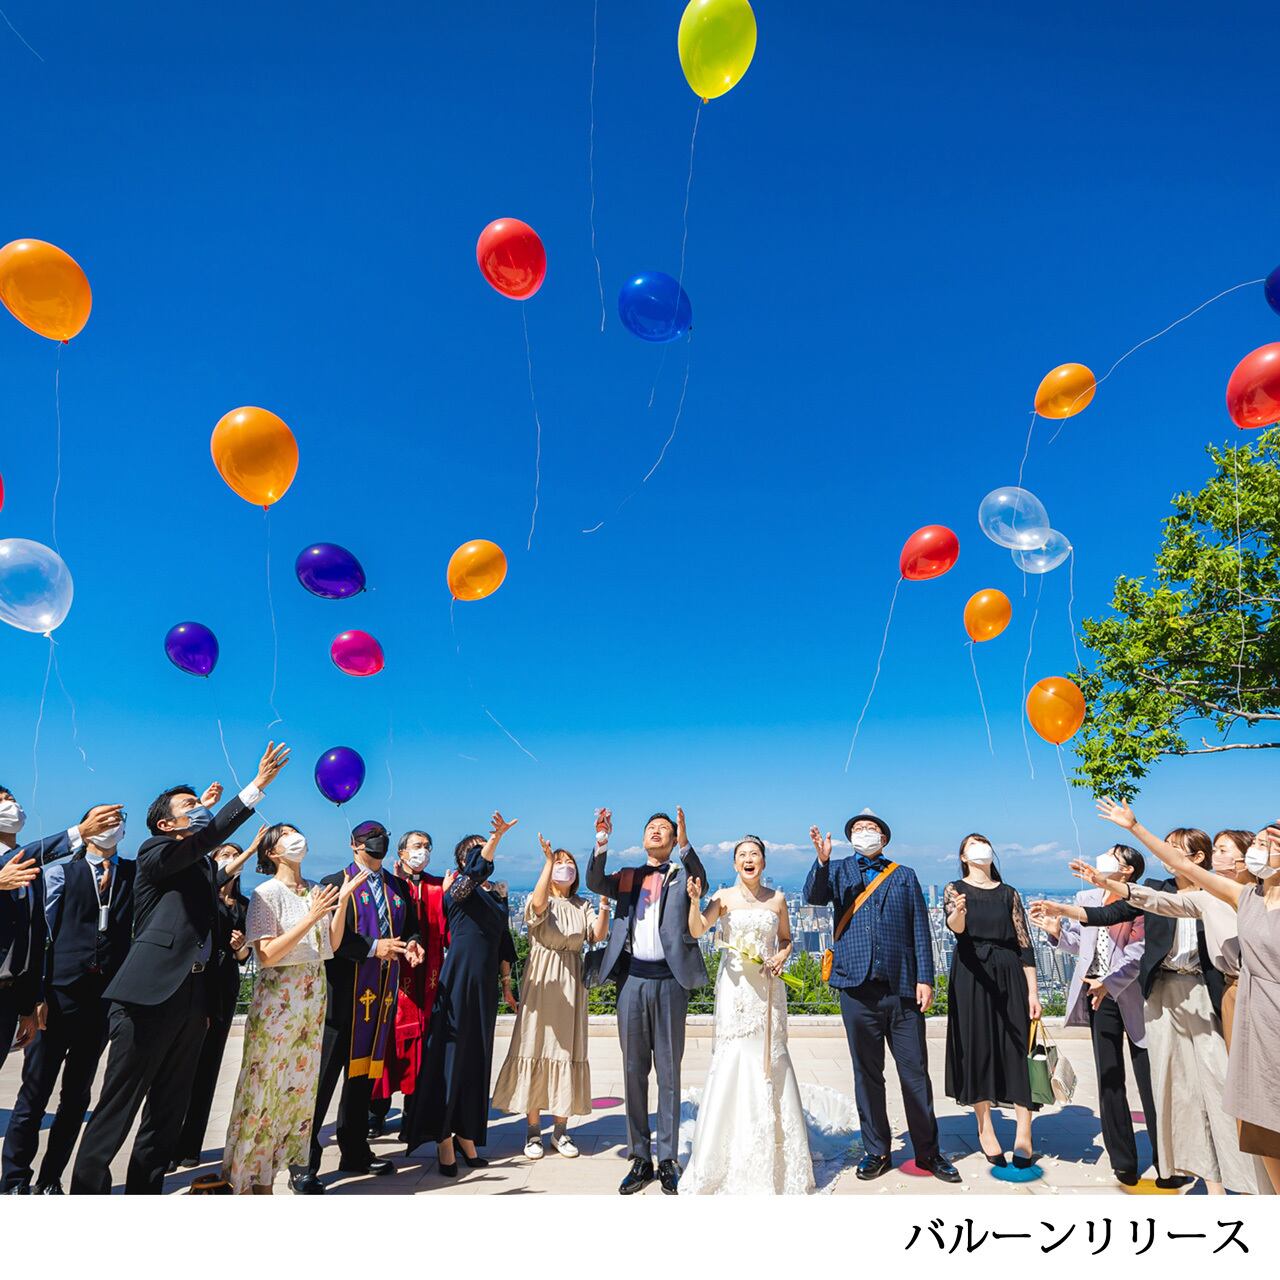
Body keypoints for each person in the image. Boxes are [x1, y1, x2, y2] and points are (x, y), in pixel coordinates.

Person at [70, 742, 291, 1195]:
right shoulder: (155, 852)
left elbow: (205, 862)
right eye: (188, 806)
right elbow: (201, 843)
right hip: (146, 1000)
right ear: (166, 824)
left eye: (199, 804)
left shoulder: (202, 868)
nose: (199, 809)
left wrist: (210, 991)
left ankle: (144, 1194)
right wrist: (253, 790)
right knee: (118, 1108)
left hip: (192, 1001)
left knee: (167, 1113)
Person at [1031, 816, 1255, 1195]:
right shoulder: (1152, 891)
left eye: (1173, 849)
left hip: (1191, 995)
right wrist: (1064, 915)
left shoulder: (1225, 895)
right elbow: (1106, 921)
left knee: (1204, 1085)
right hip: (1145, 996)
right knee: (1153, 1085)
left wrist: (1111, 981)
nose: (1165, 856)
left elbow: (1137, 950)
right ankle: (1163, 1166)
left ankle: (1226, 1173)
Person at [1093, 801, 1280, 1194]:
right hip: (1249, 1004)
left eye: (1271, 841)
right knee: (1259, 1115)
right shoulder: (1241, 897)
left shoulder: (1244, 897)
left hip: (1254, 1001)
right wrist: (1134, 829)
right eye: (1261, 840)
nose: (1264, 846)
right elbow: (1177, 885)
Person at [804, 810, 960, 1184]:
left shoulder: (904, 876)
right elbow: (813, 896)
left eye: (870, 829)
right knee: (867, 1074)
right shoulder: (840, 870)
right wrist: (822, 860)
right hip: (856, 988)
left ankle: (928, 1151)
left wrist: (926, 978)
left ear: (884, 838)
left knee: (915, 1073)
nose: (864, 833)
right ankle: (877, 1150)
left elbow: (920, 930)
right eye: (857, 829)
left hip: (902, 989)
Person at [220, 825, 367, 1194]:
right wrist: (311, 916)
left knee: (296, 1091)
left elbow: (330, 947)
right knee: (265, 1087)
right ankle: (251, 1177)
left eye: (295, 831)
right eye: (284, 834)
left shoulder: (315, 889)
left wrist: (342, 902)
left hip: (310, 1002)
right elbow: (267, 956)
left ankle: (277, 1172)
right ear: (271, 852)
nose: (295, 837)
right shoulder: (265, 894)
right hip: (278, 1004)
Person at [1, 805, 134, 1194]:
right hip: (57, 997)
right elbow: (37, 935)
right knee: (34, 1094)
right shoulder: (60, 871)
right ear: (88, 829)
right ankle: (14, 1180)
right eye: (103, 821)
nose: (111, 828)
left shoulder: (132, 872)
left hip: (101, 1001)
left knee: (77, 1097)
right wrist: (37, 994)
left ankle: (50, 1179)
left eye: (117, 823)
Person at [293, 820, 423, 1193]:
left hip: (378, 1001)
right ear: (354, 844)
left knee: (361, 1080)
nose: (378, 843)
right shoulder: (334, 883)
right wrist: (372, 947)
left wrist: (412, 943)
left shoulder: (396, 886)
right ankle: (304, 1161)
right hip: (341, 1000)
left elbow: (409, 927)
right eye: (370, 839)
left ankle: (355, 1151)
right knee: (320, 1084)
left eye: (382, 836)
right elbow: (330, 940)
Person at [586, 806, 708, 1195]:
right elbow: (592, 880)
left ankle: (668, 1158)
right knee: (633, 1070)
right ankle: (640, 1156)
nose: (657, 832)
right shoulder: (626, 877)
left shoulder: (683, 874)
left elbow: (701, 878)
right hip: (632, 981)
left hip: (671, 982)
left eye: (664, 830)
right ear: (643, 838)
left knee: (669, 1072)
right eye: (651, 828)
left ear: (673, 840)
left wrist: (687, 843)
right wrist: (601, 841)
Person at [682, 835, 814, 1194]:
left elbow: (786, 940)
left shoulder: (778, 899)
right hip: (735, 991)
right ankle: (721, 1152)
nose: (749, 859)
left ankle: (775, 1151)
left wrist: (781, 957)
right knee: (733, 1057)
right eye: (742, 855)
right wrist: (695, 902)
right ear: (735, 864)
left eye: (755, 854)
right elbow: (697, 930)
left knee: (769, 1060)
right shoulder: (722, 898)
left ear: (764, 862)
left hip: (768, 990)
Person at [1030, 844, 1155, 1186]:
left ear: (1128, 870)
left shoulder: (1139, 899)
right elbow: (1081, 945)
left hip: (1134, 996)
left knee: (1150, 1080)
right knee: (1109, 1077)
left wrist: (1108, 982)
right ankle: (1123, 1160)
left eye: (1114, 856)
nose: (1104, 857)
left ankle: (1165, 1155)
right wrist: (1056, 929)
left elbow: (1138, 952)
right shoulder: (1086, 898)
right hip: (1097, 997)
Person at [404, 814, 519, 1176]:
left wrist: (506, 985)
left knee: (477, 1057)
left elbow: (504, 943)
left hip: (485, 984)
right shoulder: (458, 889)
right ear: (461, 861)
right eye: (472, 852)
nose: (479, 855)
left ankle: (468, 1133)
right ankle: (443, 1138)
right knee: (451, 1058)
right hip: (459, 979)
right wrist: (494, 839)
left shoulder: (496, 897)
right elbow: (475, 872)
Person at [493, 835, 608, 1160]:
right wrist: (547, 863)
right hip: (542, 976)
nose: (566, 868)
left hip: (572, 977)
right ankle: (532, 1132)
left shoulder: (582, 904)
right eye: (560, 863)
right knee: (535, 1046)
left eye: (569, 864)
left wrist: (602, 906)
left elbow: (596, 935)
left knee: (567, 1051)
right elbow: (540, 904)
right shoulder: (537, 897)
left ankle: (560, 1130)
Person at [1, 788, 124, 1070]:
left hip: (8, 997)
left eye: (10, 799)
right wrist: (78, 833)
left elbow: (34, 940)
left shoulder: (32, 873)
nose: (10, 805)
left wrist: (29, 1004)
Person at [943, 834, 1041, 1169]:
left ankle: (1024, 1130)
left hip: (1009, 971)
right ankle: (985, 1126)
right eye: (972, 844)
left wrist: (1033, 991)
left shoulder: (1008, 893)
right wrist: (958, 912)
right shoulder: (955, 888)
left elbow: (1024, 943)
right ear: (963, 856)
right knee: (978, 1047)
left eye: (983, 843)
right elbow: (955, 927)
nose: (980, 848)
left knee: (1017, 1049)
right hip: (971, 973)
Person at [172, 834, 260, 1168]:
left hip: (225, 985)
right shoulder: (203, 897)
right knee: (182, 1068)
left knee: (208, 1067)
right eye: (224, 854)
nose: (230, 860)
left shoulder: (246, 905)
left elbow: (245, 955)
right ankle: (170, 1144)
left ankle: (191, 1145)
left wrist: (240, 946)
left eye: (235, 855)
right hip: (196, 982)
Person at [368, 829, 448, 1142]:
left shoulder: (437, 886)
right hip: (390, 975)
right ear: (401, 852)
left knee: (422, 1048)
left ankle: (414, 1114)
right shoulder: (389, 885)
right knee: (384, 1044)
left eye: (427, 846)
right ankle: (376, 1112)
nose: (423, 851)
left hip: (426, 975)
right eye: (416, 846)